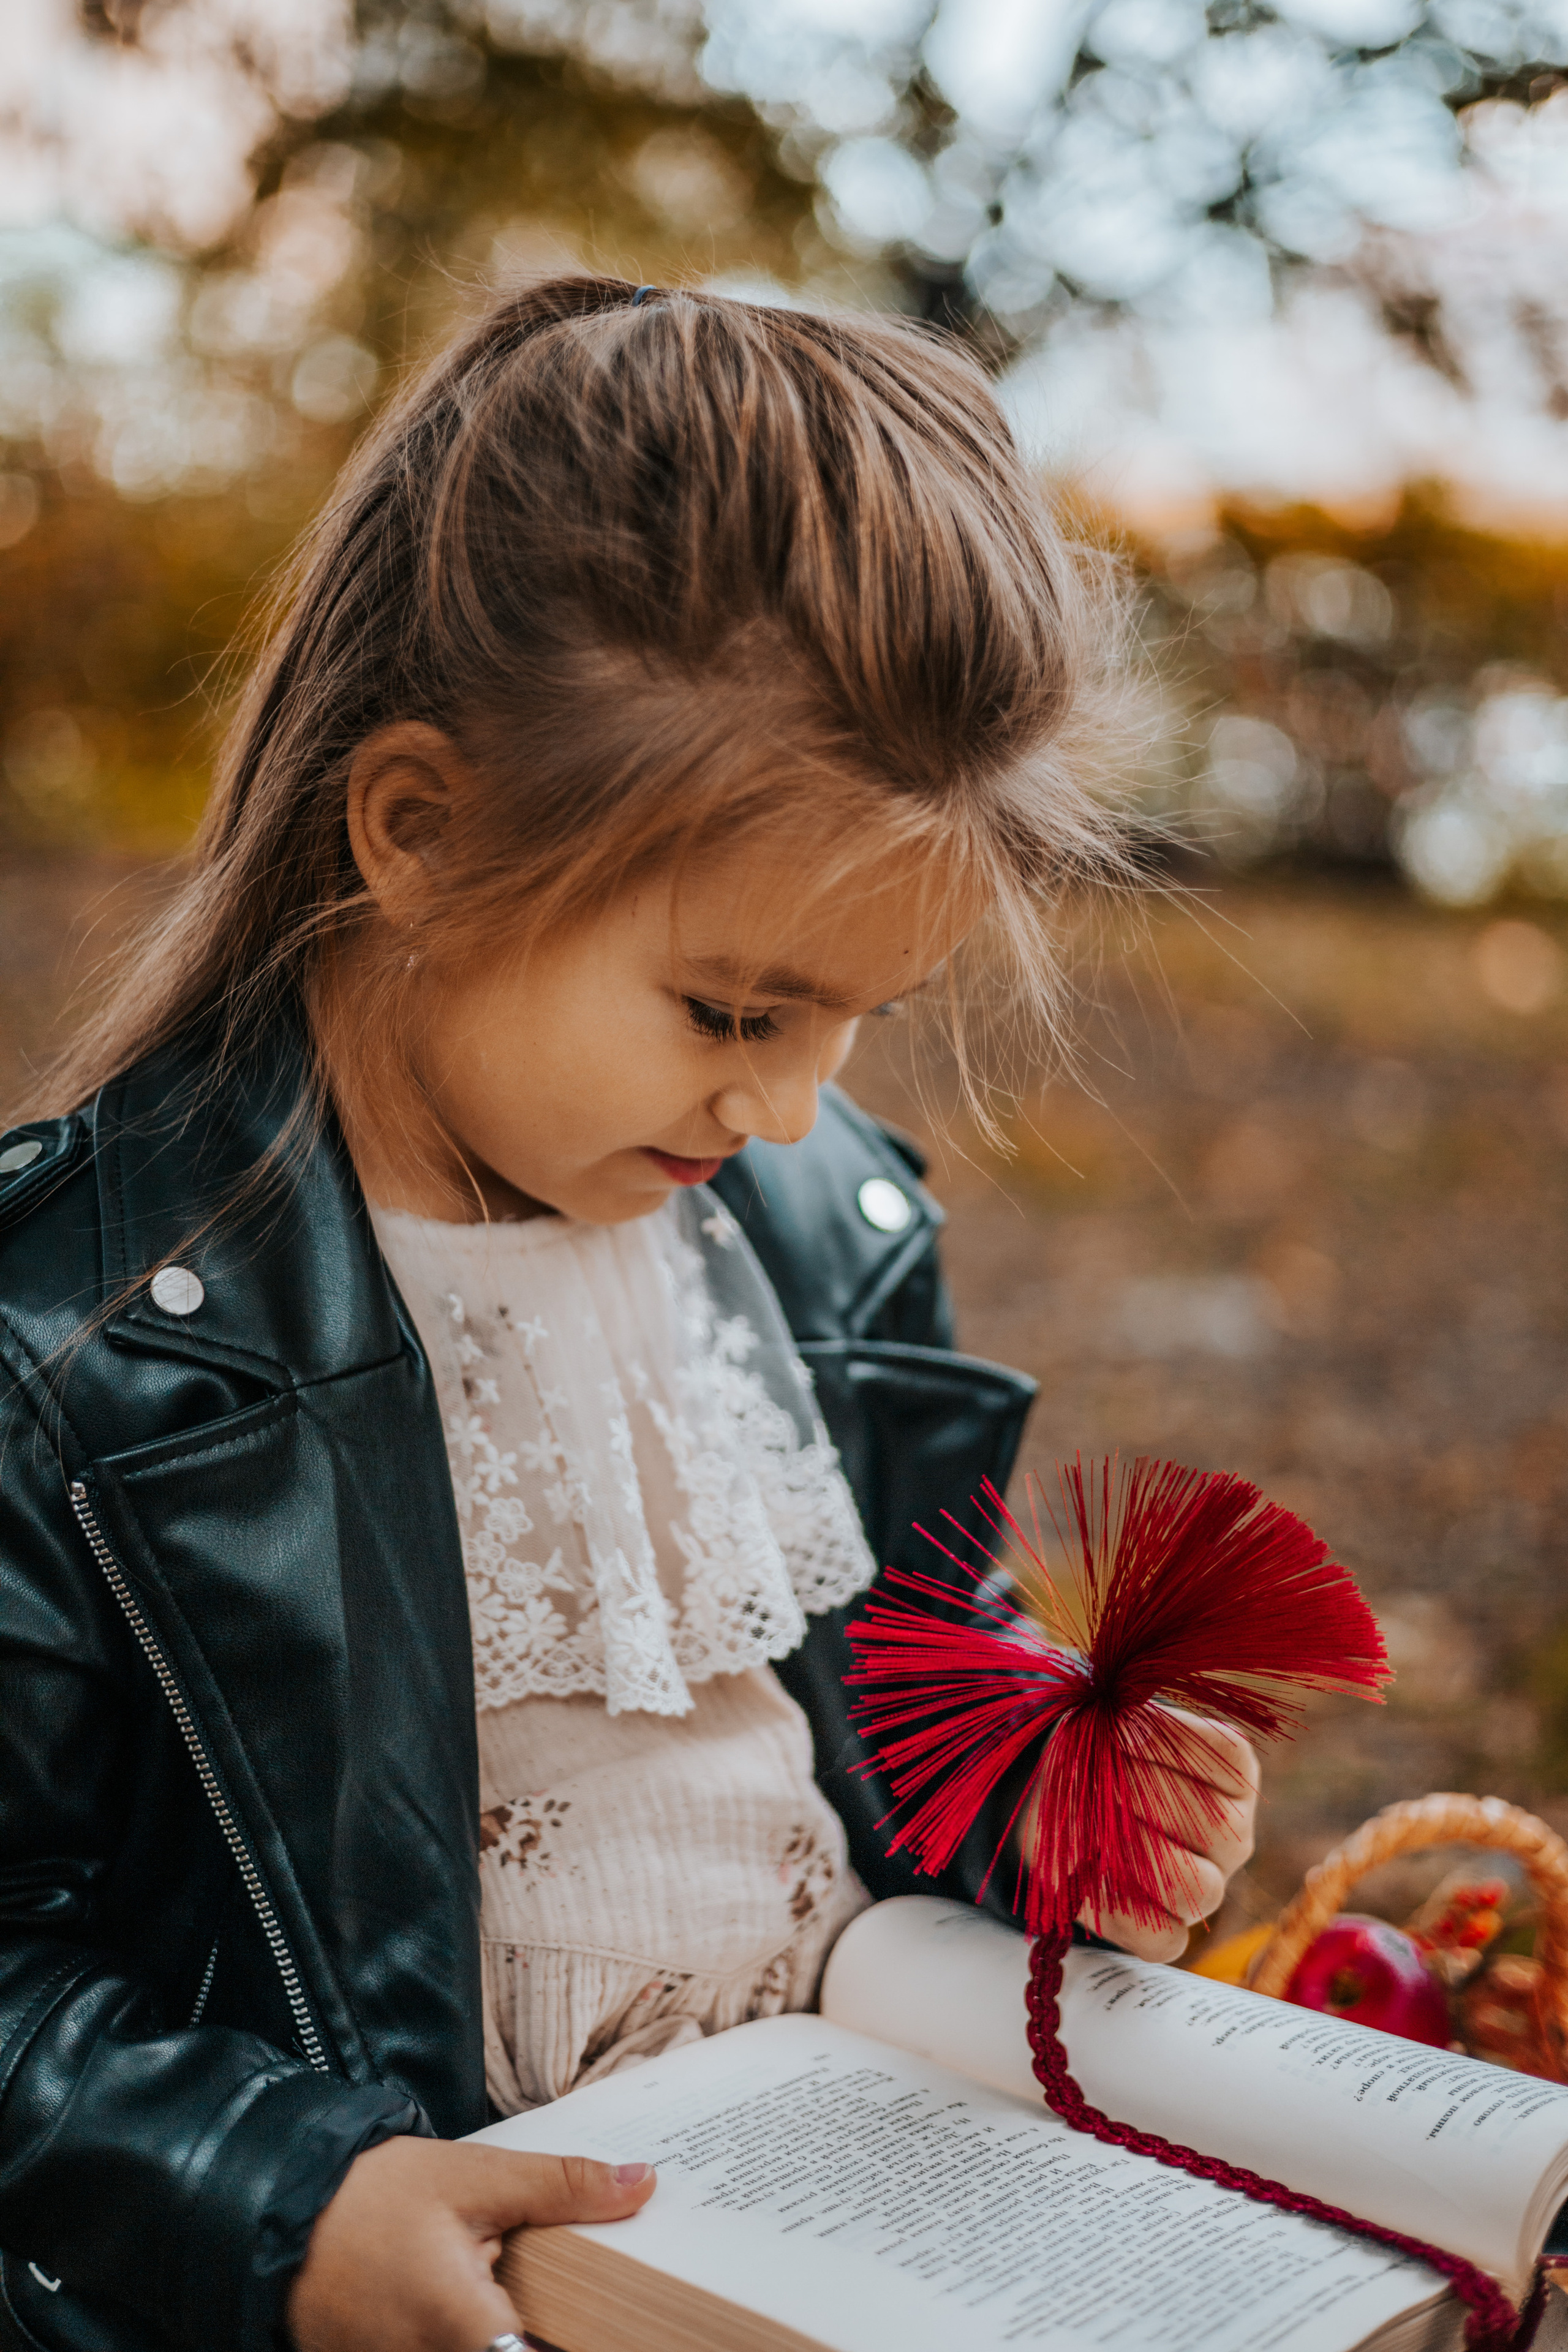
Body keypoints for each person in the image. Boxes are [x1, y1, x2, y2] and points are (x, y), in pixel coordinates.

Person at [0, 277, 1257, 2352]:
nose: (785, 1103)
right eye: (736, 1011)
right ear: (418, 833)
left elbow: (884, 1713)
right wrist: (283, 2205)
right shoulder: (83, 1348)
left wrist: (1037, 1803)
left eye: (861, 1022)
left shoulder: (825, 1241)